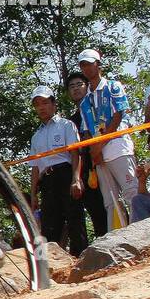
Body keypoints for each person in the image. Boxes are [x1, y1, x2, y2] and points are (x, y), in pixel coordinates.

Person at [76, 48, 137, 230]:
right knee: (110, 201)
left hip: (119, 148)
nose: (86, 68)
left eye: (89, 63)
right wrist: (93, 151)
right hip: (99, 156)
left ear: (98, 64)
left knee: (131, 192)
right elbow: (86, 131)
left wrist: (99, 146)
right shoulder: (85, 101)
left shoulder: (113, 86)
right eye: (83, 65)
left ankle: (141, 231)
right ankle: (117, 239)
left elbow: (118, 116)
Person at [27, 86, 86, 256]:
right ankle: (52, 265)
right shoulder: (36, 136)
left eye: (45, 102)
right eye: (37, 104)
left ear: (54, 104)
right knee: (49, 224)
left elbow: (75, 154)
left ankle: (81, 259)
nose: (41, 107)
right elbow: (35, 167)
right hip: (46, 180)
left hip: (65, 173)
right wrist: (33, 195)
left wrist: (76, 179)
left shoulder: (66, 125)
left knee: (74, 218)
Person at [65, 71, 108, 243]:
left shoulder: (99, 108)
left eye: (79, 85)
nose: (75, 89)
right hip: (86, 171)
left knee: (112, 202)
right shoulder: (71, 122)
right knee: (95, 209)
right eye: (71, 86)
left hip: (105, 160)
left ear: (87, 86)